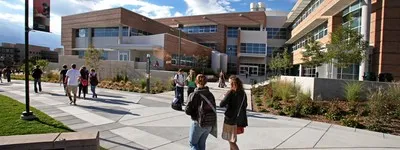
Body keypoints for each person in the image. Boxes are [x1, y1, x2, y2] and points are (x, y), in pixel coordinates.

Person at [185, 74, 217, 150]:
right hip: (209, 123)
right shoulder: (210, 94)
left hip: (198, 122)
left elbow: (187, 110)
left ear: (196, 82)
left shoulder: (194, 94)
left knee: (193, 144)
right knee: (201, 143)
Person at [220, 76, 248, 150]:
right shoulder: (243, 93)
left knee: (231, 141)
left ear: (233, 84)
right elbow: (245, 105)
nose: (229, 85)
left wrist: (224, 97)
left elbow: (221, 104)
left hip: (230, 120)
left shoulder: (231, 92)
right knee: (232, 139)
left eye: (230, 83)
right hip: (238, 120)